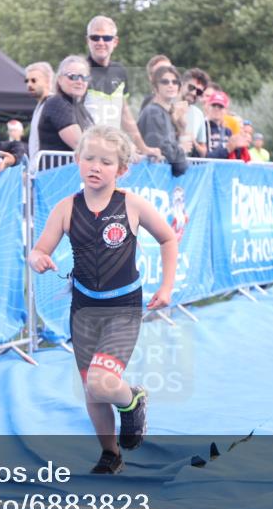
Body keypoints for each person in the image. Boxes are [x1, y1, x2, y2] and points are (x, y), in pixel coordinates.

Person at [29, 125, 177, 474]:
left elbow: (168, 239)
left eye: (106, 162)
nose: (96, 166)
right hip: (83, 309)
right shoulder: (66, 208)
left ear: (121, 170)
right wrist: (38, 259)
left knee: (102, 381)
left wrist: (166, 287)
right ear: (77, 160)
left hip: (123, 308)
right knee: (92, 392)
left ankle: (132, 400)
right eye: (89, 158)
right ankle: (110, 454)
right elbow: (40, 249)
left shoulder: (132, 204)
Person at [83, 15, 159, 158]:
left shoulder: (120, 71)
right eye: (95, 37)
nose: (100, 42)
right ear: (88, 40)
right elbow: (72, 114)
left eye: (106, 38)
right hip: (87, 151)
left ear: (115, 41)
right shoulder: (79, 71)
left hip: (111, 151)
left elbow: (124, 112)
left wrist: (142, 147)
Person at [137, 65, 189, 177]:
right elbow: (162, 149)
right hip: (149, 178)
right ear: (155, 87)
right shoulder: (153, 112)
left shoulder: (164, 113)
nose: (171, 85)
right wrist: (181, 151)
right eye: (165, 82)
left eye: (175, 82)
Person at [36, 55, 94, 153]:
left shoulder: (79, 107)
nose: (80, 81)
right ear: (60, 80)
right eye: (73, 76)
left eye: (84, 77)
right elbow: (79, 144)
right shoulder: (57, 103)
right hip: (59, 168)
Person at [204, 91, 248, 160]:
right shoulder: (203, 127)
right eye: (214, 105)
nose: (216, 109)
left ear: (226, 110)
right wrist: (227, 149)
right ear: (208, 107)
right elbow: (203, 157)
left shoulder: (228, 131)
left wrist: (239, 148)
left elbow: (234, 157)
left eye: (220, 106)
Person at [25, 61, 54, 162]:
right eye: (27, 81)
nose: (29, 84)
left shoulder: (54, 104)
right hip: (37, 170)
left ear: (47, 81)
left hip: (50, 171)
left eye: (34, 80)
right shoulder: (41, 105)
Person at [180, 68, 210, 157]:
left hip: (185, 167)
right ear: (182, 84)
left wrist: (194, 143)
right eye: (191, 87)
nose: (194, 93)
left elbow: (204, 151)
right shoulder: (165, 106)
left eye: (199, 91)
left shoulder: (198, 114)